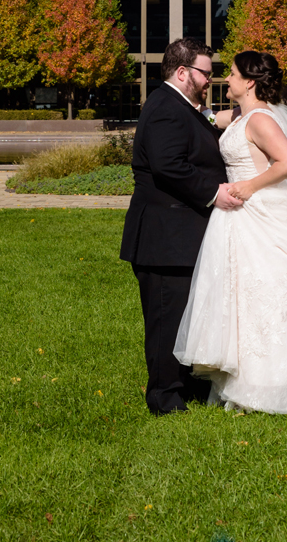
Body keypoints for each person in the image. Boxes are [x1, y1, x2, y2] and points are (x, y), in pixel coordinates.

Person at [175, 50, 287, 413]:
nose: (225, 80)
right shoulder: (241, 114)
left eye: (230, 74)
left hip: (255, 210)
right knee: (240, 297)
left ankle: (274, 383)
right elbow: (211, 117)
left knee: (266, 295)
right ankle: (242, 379)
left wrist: (250, 186)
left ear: (249, 82)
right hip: (236, 217)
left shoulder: (260, 119)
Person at [120, 38, 242, 415]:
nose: (211, 79)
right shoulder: (164, 108)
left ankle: (181, 384)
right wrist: (214, 193)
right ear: (182, 72)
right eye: (206, 72)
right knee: (166, 318)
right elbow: (169, 165)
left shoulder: (183, 106)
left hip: (179, 235)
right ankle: (164, 397)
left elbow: (197, 138)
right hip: (163, 237)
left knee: (183, 314)